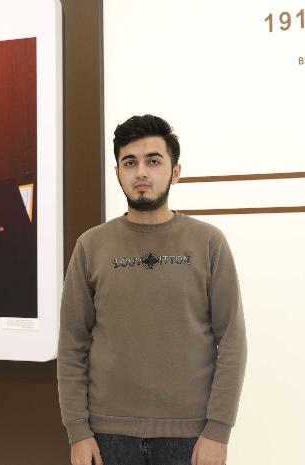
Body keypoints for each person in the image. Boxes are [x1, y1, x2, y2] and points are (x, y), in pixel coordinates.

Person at [58, 115, 247, 465]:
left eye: (153, 161)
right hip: (107, 435)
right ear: (118, 172)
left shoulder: (208, 243)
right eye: (130, 163)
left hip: (191, 435)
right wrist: (78, 432)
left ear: (175, 172)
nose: (141, 172)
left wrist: (218, 431)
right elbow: (72, 344)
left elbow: (232, 341)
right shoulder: (91, 246)